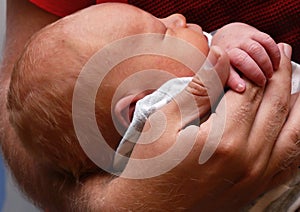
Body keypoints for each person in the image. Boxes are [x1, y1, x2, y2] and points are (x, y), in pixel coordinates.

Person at [0, 2, 299, 211]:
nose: (176, 18)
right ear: (136, 109)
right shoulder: (156, 116)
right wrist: (232, 43)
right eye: (163, 33)